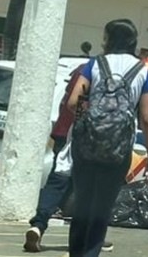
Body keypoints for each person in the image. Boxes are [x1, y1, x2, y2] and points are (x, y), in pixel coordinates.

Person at [66, 20, 148, 257]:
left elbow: (73, 102)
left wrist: (90, 122)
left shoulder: (95, 64)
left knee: (82, 205)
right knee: (102, 209)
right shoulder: (143, 70)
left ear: (109, 39)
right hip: (118, 151)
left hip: (86, 146)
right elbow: (146, 118)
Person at [24, 63, 114, 253]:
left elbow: (68, 101)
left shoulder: (84, 69)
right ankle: (92, 235)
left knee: (59, 182)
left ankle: (38, 225)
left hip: (64, 132)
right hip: (84, 137)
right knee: (89, 189)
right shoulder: (100, 73)